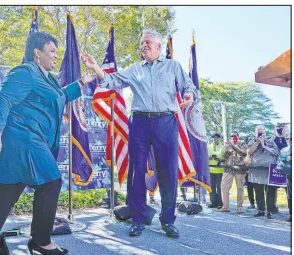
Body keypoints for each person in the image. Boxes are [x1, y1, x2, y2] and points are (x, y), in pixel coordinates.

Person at [0, 31, 95, 255]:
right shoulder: (25, 72)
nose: (56, 56)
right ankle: (41, 240)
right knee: (51, 182)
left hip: (27, 146)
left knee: (2, 201)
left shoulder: (49, 79)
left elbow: (61, 96)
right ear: (37, 52)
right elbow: (2, 99)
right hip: (21, 142)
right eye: (52, 51)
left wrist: (83, 82)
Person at [82, 29, 196, 238]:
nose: (144, 46)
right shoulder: (135, 69)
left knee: (168, 172)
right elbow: (112, 81)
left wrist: (188, 94)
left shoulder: (173, 67)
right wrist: (96, 68)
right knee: (136, 172)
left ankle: (168, 220)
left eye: (148, 42)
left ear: (158, 47)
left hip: (166, 121)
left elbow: (188, 85)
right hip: (140, 122)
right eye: (142, 43)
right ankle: (137, 218)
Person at [247, 125, 279, 218]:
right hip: (256, 170)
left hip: (269, 170)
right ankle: (261, 210)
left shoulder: (271, 142)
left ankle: (269, 211)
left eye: (262, 131)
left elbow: (276, 153)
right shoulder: (252, 142)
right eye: (259, 131)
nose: (261, 133)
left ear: (265, 132)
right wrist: (257, 143)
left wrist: (264, 146)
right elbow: (249, 152)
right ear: (255, 133)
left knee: (270, 192)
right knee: (258, 192)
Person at [219, 131, 247, 213]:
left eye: (235, 136)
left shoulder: (243, 144)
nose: (234, 137)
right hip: (229, 168)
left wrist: (234, 147)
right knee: (224, 186)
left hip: (240, 168)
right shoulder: (228, 144)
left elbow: (244, 154)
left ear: (238, 136)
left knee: (240, 188)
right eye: (232, 136)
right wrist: (227, 149)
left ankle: (239, 207)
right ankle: (225, 207)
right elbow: (224, 158)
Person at [207, 133, 225, 209]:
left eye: (217, 138)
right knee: (212, 187)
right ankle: (213, 202)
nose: (215, 139)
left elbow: (225, 158)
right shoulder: (208, 146)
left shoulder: (223, 147)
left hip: (220, 170)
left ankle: (220, 203)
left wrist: (219, 159)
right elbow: (205, 156)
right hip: (211, 170)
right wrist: (209, 158)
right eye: (214, 138)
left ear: (219, 139)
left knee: (219, 187)